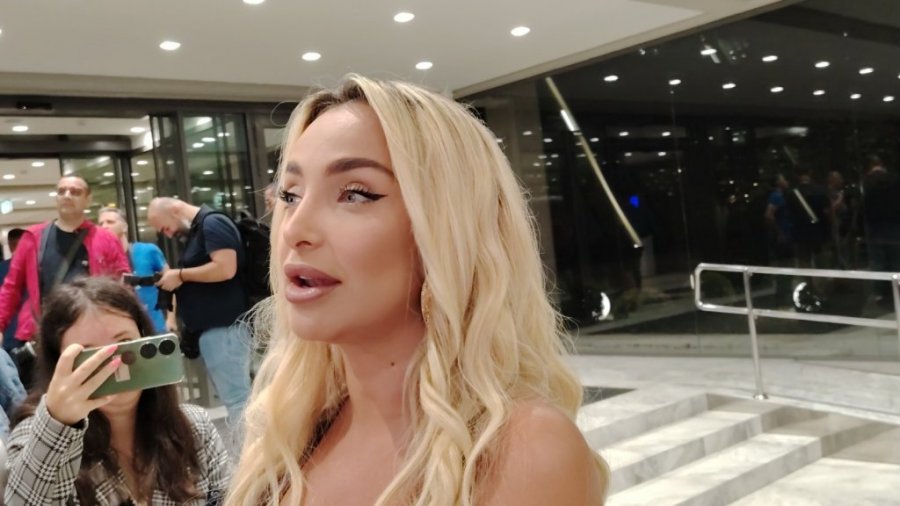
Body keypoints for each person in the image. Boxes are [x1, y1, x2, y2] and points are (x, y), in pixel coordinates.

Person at [226, 75, 608, 505]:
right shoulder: (288, 433)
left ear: (446, 231)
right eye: (290, 195)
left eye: (355, 194)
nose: (294, 229)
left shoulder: (524, 451)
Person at [4, 276, 230, 505]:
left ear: (144, 339)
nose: (114, 366)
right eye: (90, 355)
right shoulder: (35, 438)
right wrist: (58, 423)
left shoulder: (194, 427)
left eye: (124, 344)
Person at [147, 198, 251, 428]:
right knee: (236, 400)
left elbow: (225, 268)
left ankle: (253, 449)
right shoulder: (200, 230)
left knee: (238, 401)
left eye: (165, 227)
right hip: (216, 329)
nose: (168, 234)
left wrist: (181, 275)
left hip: (224, 328)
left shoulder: (212, 223)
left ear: (175, 210)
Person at [0, 176, 130, 350]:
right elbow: (12, 287)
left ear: (88, 200)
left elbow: (122, 287)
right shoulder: (32, 237)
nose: (67, 195)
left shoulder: (106, 239)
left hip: (94, 333)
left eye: (75, 192)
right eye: (62, 191)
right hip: (44, 336)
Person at [97, 206, 175, 333]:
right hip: (122, 332)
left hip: (156, 328)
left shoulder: (148, 251)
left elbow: (171, 284)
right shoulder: (99, 261)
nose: (104, 226)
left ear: (124, 227)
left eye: (110, 222)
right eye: (101, 224)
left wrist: (171, 320)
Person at [0, 228, 25, 352]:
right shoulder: (39, 268)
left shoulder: (2, 269)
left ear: (10, 245)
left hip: (7, 337)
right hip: (33, 336)